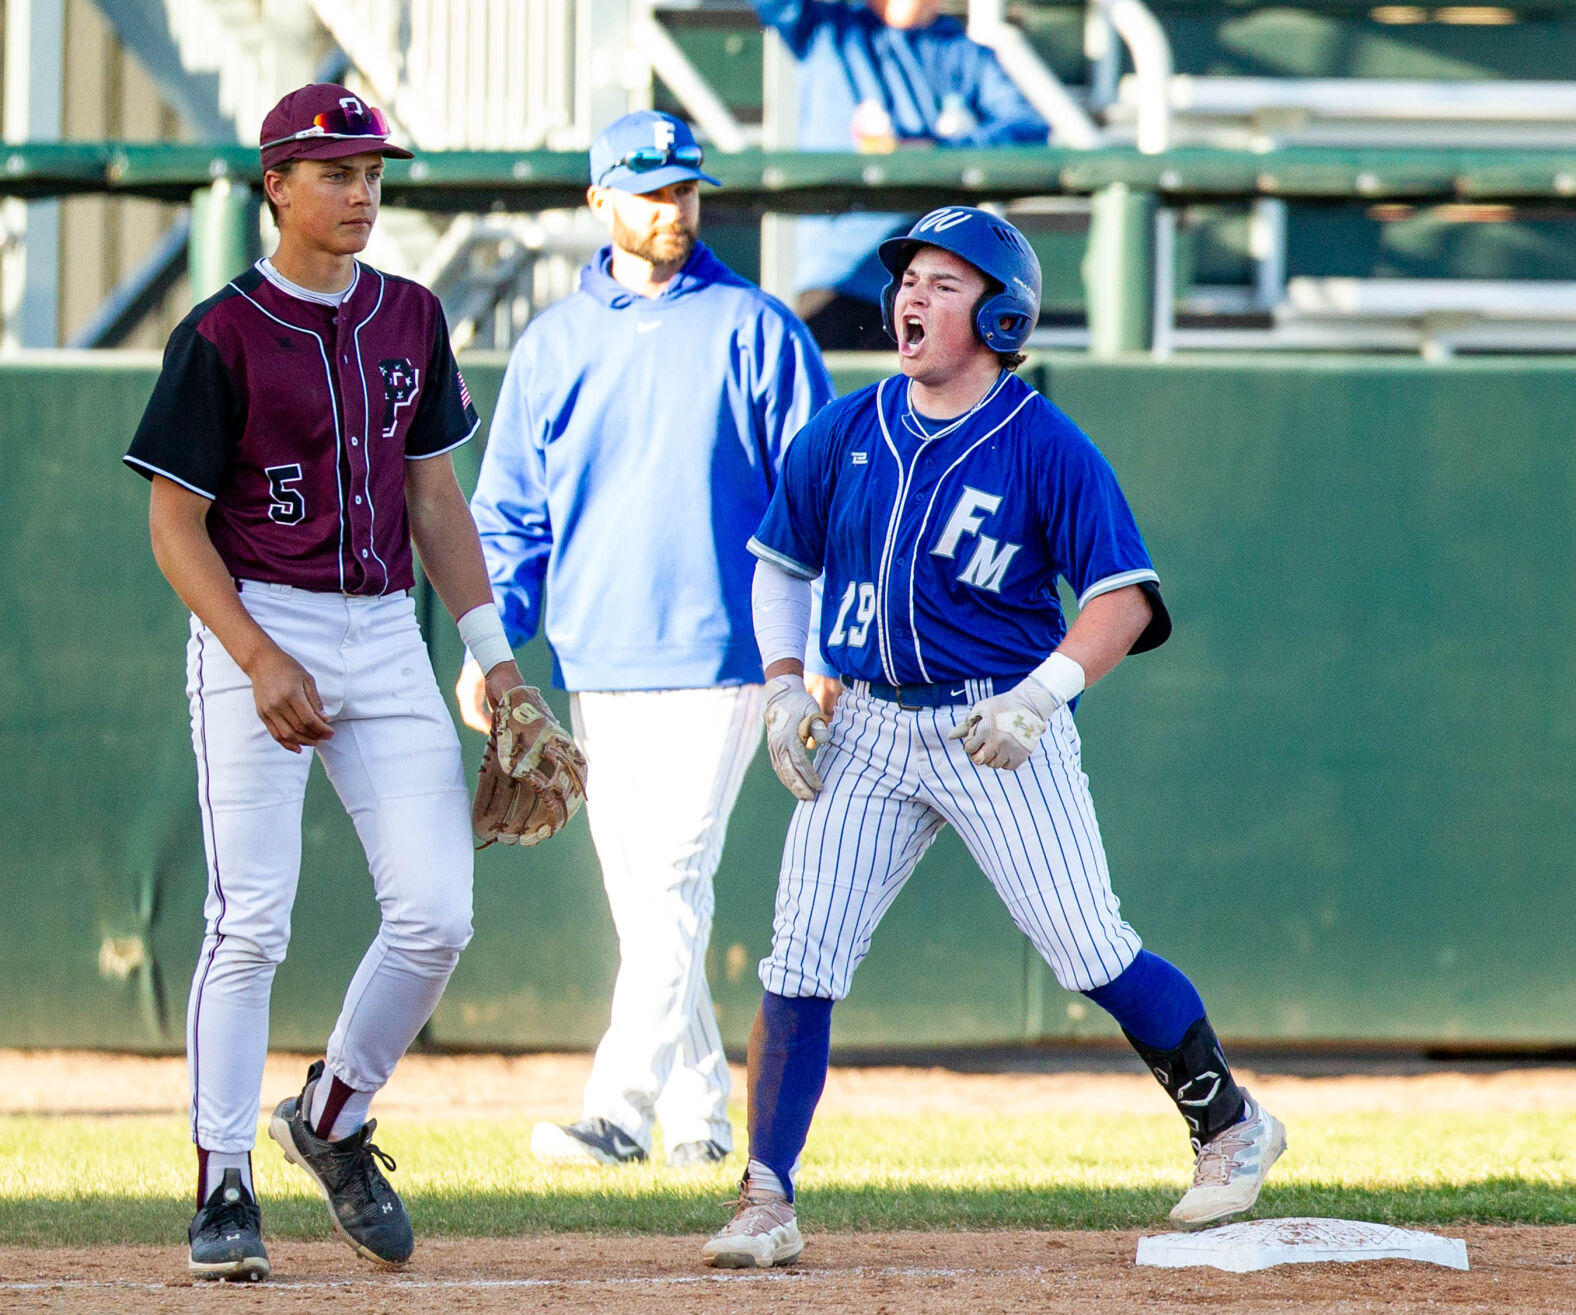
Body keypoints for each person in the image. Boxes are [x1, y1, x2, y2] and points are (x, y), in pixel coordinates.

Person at [700, 207, 1287, 1268]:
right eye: (907, 280)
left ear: (1002, 312)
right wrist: (785, 684)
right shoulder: (844, 427)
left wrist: (1042, 695)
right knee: (800, 958)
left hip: (991, 723)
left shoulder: (1041, 441)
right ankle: (764, 1195)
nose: (911, 299)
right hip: (867, 721)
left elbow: (1121, 598)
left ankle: (1232, 1124)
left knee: (1089, 948)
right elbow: (779, 562)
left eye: (943, 283)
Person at [124, 83, 560, 1280]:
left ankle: (330, 1115)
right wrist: (256, 654)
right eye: (334, 171)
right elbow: (175, 527)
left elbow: (435, 499)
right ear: (275, 182)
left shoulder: (412, 316)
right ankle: (222, 1181)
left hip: (381, 630)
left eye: (372, 172)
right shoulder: (219, 333)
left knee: (438, 911)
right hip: (257, 614)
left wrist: (497, 663)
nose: (361, 192)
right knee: (249, 916)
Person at [459, 110, 836, 1169]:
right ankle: (703, 1121)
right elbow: (510, 519)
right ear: (600, 201)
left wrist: (814, 654)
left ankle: (617, 1110)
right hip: (597, 657)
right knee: (650, 905)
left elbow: (819, 505)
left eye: (685, 188)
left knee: (669, 878)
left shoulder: (758, 328)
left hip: (726, 654)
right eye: (651, 189)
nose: (674, 206)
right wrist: (492, 649)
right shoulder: (552, 344)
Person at [754, 0, 1047, 349]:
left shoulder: (959, 51)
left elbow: (1029, 130)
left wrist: (936, 151)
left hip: (928, 288)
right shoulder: (827, 29)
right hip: (834, 284)